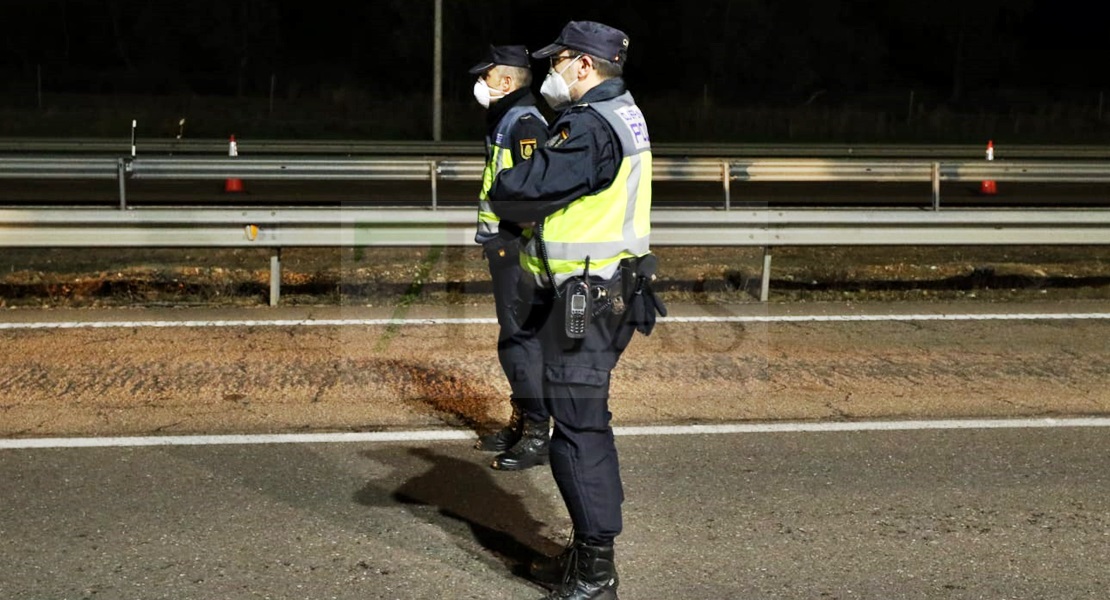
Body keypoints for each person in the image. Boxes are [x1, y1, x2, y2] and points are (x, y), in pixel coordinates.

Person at [487, 21, 666, 600]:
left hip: (588, 300)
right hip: (604, 291)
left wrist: (514, 187)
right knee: (578, 422)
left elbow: (515, 190)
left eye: (557, 61)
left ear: (584, 65)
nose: (551, 73)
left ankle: (595, 573)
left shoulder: (589, 127)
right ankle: (585, 554)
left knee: (579, 430)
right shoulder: (625, 111)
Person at [467, 44, 553, 471]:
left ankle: (538, 433)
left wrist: (508, 240)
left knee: (519, 341)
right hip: (501, 245)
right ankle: (523, 421)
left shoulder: (524, 122)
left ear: (505, 82)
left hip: (513, 248)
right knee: (513, 340)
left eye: (485, 77)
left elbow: (533, 192)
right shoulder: (506, 118)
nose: (479, 84)